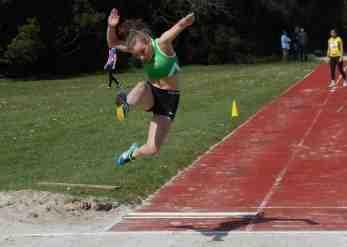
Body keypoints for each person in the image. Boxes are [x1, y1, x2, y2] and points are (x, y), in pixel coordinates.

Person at [106, 8, 195, 166]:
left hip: (169, 100)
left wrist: (187, 20)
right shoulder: (136, 47)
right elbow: (112, 43)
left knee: (152, 149)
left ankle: (132, 153)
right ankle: (125, 104)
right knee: (142, 85)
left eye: (142, 51)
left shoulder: (162, 44)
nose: (141, 57)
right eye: (137, 55)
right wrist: (111, 26)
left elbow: (178, 27)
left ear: (147, 40)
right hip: (152, 93)